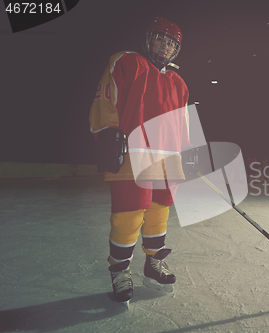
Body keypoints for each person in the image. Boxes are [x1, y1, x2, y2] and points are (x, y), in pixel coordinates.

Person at [89, 17, 189, 304]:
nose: (166, 46)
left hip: (168, 157)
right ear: (148, 38)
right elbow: (105, 97)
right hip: (134, 153)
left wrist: (187, 151)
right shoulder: (126, 61)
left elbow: (181, 121)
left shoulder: (179, 82)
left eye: (172, 43)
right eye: (161, 39)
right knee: (129, 212)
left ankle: (153, 262)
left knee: (160, 212)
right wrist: (107, 131)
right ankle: (120, 270)